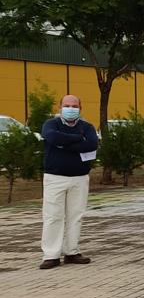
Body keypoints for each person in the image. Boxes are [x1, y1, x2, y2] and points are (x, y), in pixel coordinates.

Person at [38, 95, 99, 270]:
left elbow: (92, 144)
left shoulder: (86, 127)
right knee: (53, 216)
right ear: (60, 107)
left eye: (74, 105)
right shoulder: (51, 124)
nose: (70, 108)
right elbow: (52, 138)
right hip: (55, 178)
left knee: (75, 216)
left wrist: (65, 144)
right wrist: (78, 138)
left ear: (80, 108)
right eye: (67, 105)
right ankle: (51, 255)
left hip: (80, 178)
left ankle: (72, 251)